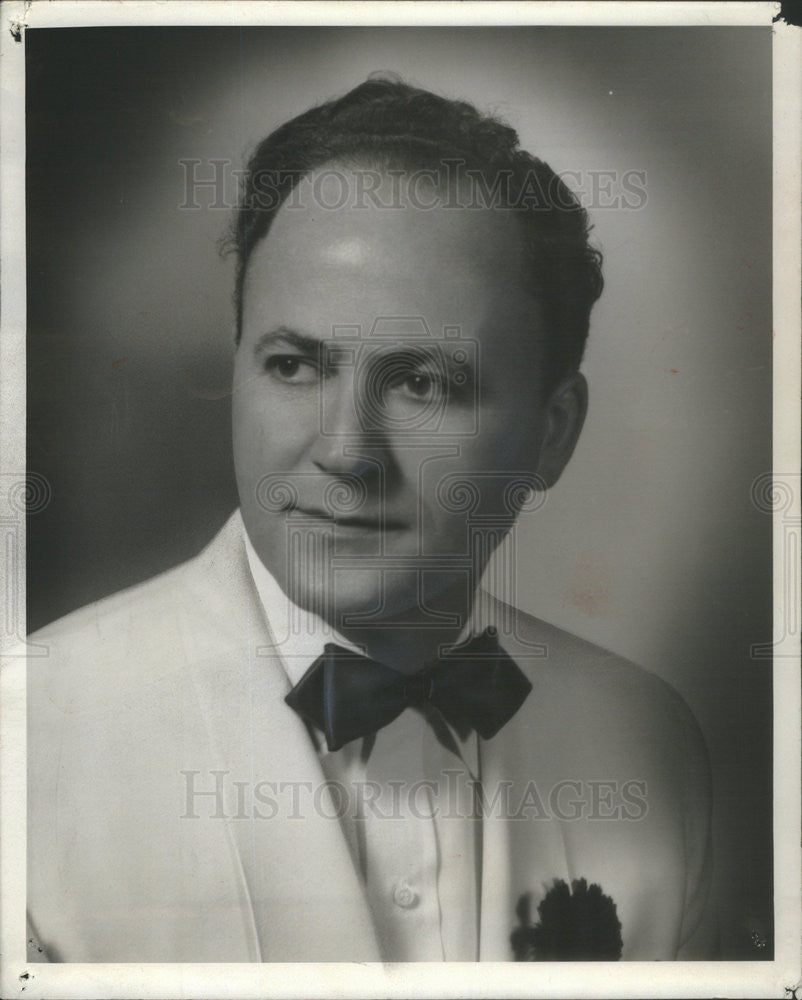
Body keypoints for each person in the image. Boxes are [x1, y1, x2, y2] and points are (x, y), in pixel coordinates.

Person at [26, 77, 715, 962]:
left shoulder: (648, 745)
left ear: (552, 435)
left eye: (425, 383)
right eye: (296, 365)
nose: (348, 452)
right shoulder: (32, 738)